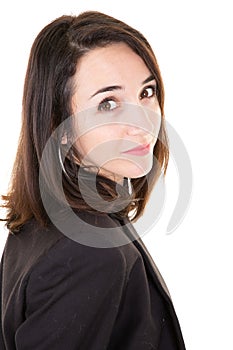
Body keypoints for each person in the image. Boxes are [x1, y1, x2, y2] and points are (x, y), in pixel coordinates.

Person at [0, 11, 186, 349]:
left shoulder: (43, 219)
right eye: (109, 103)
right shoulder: (91, 253)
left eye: (147, 92)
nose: (143, 121)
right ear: (63, 127)